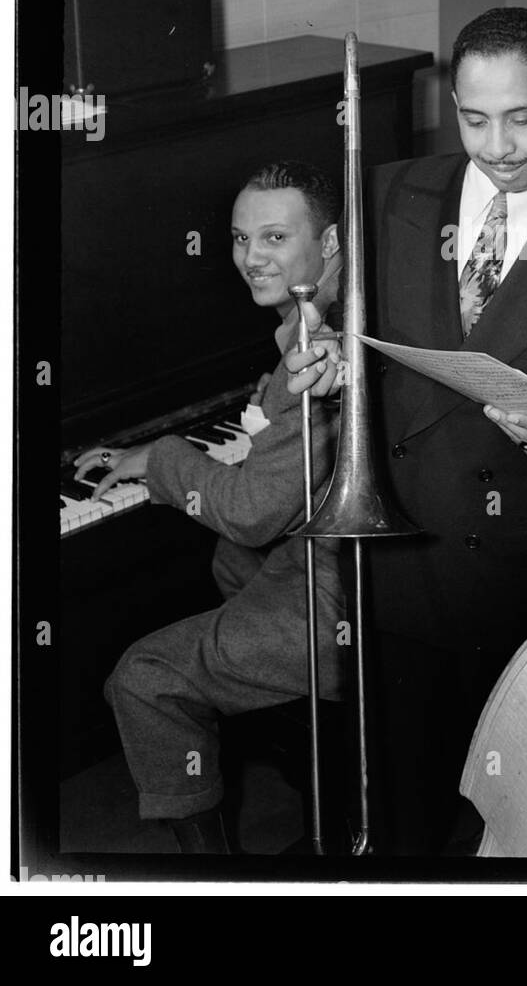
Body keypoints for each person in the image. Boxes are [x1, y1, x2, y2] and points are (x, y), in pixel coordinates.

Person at [289, 7, 527, 854]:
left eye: (522, 117)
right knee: (388, 792)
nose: (497, 144)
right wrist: (323, 359)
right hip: (386, 550)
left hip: (507, 579)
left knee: (492, 814)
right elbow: (340, 325)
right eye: (474, 118)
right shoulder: (390, 192)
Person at [74, 161, 348, 853]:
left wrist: (158, 456)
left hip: (346, 601)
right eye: (237, 238)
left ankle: (215, 871)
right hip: (328, 564)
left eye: (275, 238)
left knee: (143, 677)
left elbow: (256, 509)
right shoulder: (319, 313)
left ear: (332, 242)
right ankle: (324, 782)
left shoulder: (328, 351)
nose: (250, 258)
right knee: (228, 563)